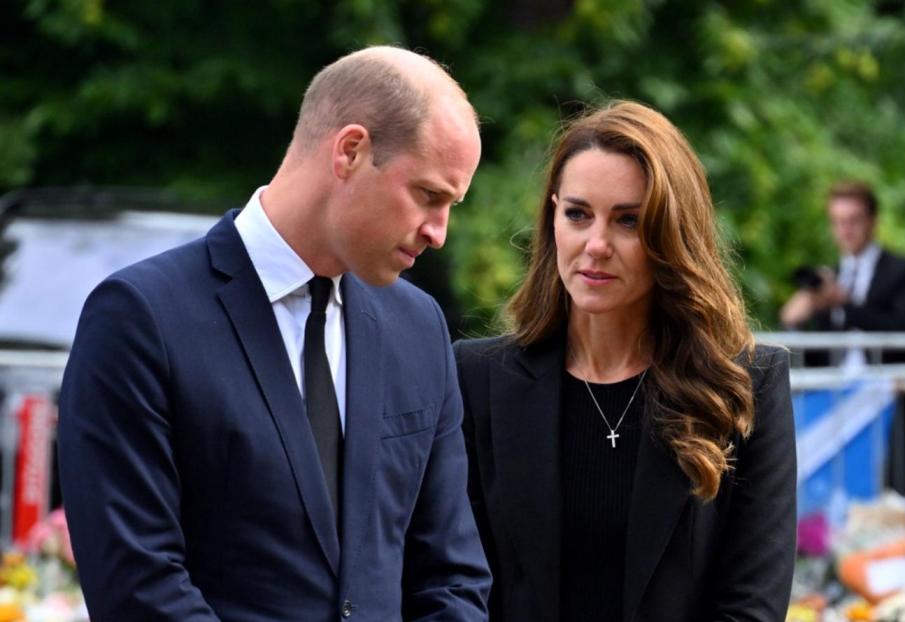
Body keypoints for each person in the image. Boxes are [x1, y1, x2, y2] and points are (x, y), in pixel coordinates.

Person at [57, 46, 491, 621]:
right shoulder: (141, 318)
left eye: (452, 204)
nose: (439, 232)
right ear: (351, 151)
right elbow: (138, 584)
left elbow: (453, 578)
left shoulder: (419, 328)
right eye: (430, 196)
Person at [455, 101, 796, 621]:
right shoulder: (478, 379)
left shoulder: (745, 385)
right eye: (577, 214)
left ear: (670, 235)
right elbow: (459, 586)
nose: (595, 245)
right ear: (552, 218)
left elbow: (752, 605)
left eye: (628, 221)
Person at [780, 180, 905, 365]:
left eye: (853, 220)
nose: (845, 230)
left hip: (885, 383)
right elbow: (817, 358)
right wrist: (794, 322)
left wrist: (844, 303)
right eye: (838, 222)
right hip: (832, 386)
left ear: (873, 220)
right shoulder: (829, 277)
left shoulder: (903, 270)